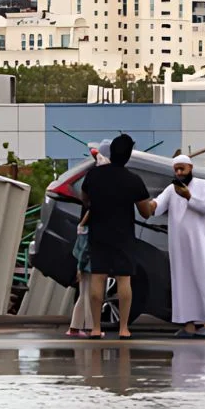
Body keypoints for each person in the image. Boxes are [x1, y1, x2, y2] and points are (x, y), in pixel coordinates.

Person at [81, 133, 152, 340]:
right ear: (129, 155)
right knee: (123, 279)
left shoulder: (94, 176)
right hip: (123, 235)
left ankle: (95, 328)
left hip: (99, 232)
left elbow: (85, 199)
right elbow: (145, 212)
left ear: (111, 152)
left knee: (98, 277)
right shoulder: (133, 180)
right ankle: (123, 328)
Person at [146, 154, 205, 339]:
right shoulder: (172, 189)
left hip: (199, 244)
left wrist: (189, 197)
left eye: (182, 169)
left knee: (203, 281)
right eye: (176, 169)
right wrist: (148, 203)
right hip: (179, 247)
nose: (179, 172)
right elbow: (158, 205)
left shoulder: (203, 186)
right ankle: (189, 325)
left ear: (190, 168)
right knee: (182, 283)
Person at [66, 142, 110, 337]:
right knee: (93, 292)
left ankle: (75, 328)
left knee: (85, 292)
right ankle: (91, 328)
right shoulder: (89, 224)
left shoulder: (89, 180)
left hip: (85, 251)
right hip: (92, 252)